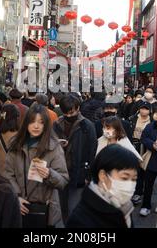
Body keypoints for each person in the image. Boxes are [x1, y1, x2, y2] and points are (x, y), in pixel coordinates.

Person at [5, 104, 69, 227]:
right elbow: (8, 175)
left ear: (46, 125)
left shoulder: (54, 147)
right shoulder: (15, 145)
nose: (36, 126)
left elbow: (63, 180)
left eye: (41, 122)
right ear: (26, 123)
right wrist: (15, 198)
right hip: (18, 207)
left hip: (45, 209)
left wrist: (49, 174)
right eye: (32, 121)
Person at [67, 144, 139, 228]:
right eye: (124, 178)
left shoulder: (124, 206)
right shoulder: (80, 221)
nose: (130, 185)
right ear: (103, 176)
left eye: (134, 179)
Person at [52, 94, 98, 222]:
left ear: (78, 108)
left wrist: (88, 175)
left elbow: (92, 151)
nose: (69, 115)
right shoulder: (56, 124)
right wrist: (58, 143)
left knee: (75, 207)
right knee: (62, 208)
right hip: (60, 170)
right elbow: (50, 145)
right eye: (66, 112)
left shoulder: (87, 126)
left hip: (79, 171)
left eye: (72, 112)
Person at [130, 101, 152, 205]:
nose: (144, 110)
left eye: (146, 109)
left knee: (141, 169)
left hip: (144, 147)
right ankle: (132, 190)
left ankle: (138, 191)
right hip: (133, 145)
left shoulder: (152, 122)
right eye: (142, 108)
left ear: (149, 110)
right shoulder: (133, 118)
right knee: (132, 168)